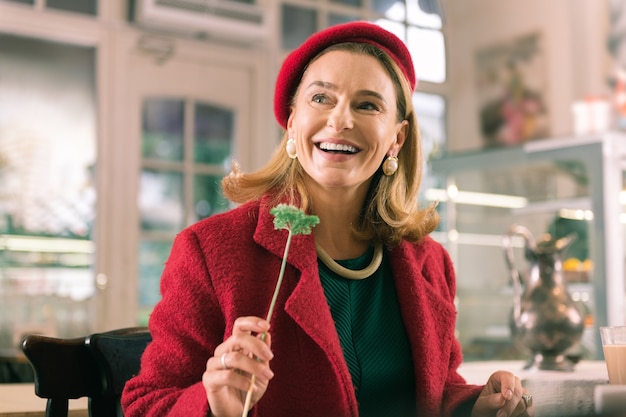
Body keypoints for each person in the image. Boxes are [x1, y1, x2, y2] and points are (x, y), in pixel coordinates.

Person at [121, 21, 535, 417]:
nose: (341, 120)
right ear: (292, 120)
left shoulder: (429, 262)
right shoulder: (210, 251)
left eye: (367, 105)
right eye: (321, 98)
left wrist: (475, 406)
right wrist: (215, 407)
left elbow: (436, 391)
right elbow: (147, 404)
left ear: (397, 138)